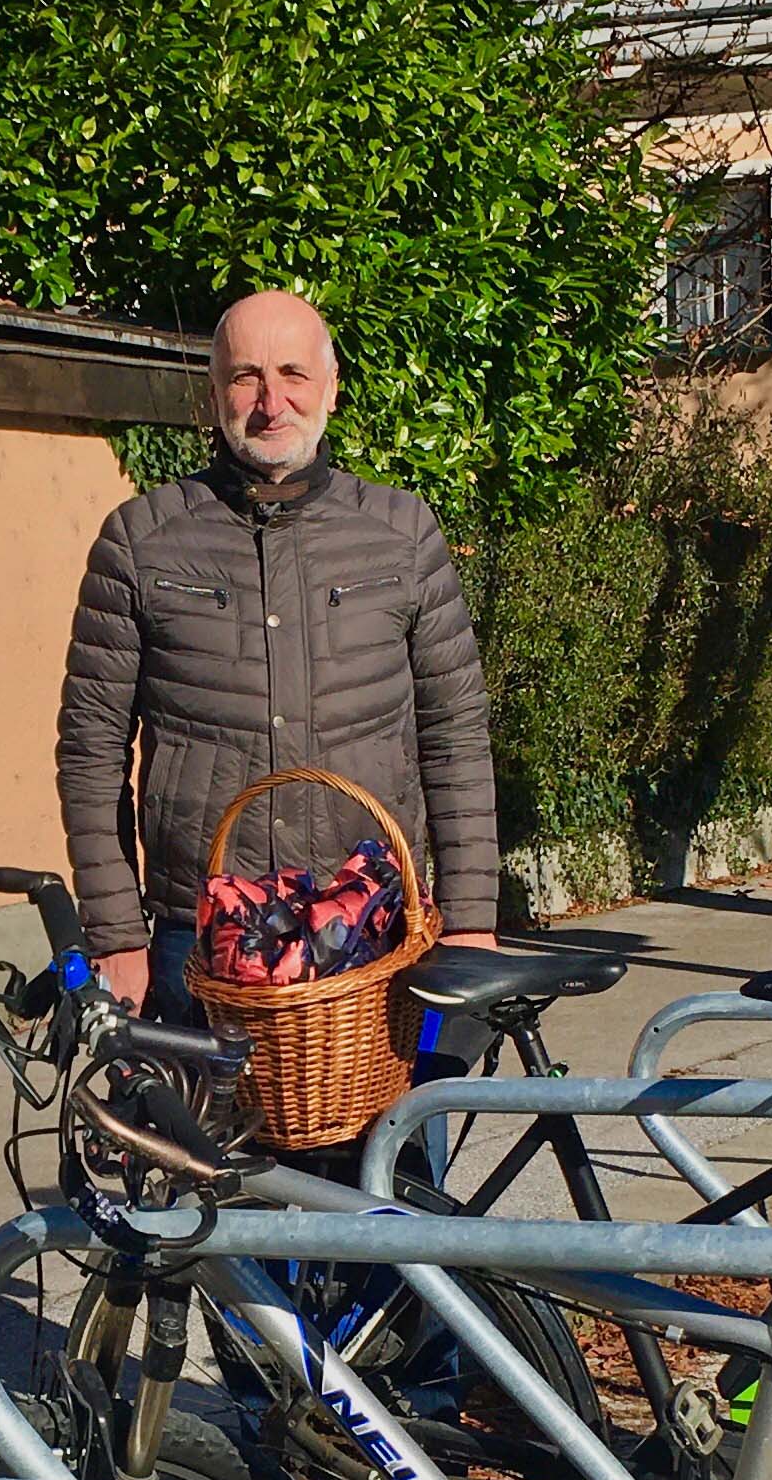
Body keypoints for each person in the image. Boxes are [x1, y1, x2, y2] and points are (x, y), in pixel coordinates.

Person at [55, 290, 504, 1021]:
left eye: (294, 373)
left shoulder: (403, 534)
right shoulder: (141, 540)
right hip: (195, 940)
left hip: (376, 929)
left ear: (330, 385)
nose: (272, 402)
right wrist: (113, 931)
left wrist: (475, 918)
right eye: (247, 377)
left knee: (393, 1139)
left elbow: (455, 738)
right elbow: (91, 748)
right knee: (190, 1137)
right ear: (214, 393)